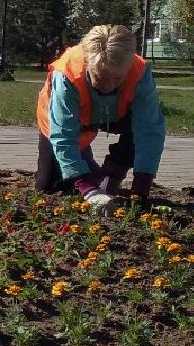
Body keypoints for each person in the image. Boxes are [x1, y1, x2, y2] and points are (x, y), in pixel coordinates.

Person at [35, 23, 165, 212]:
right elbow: (63, 135)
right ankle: (90, 175)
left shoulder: (139, 72)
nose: (108, 86)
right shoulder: (68, 73)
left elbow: (150, 130)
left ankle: (112, 172)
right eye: (101, 77)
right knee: (49, 185)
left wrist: (141, 189)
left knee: (140, 129)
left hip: (116, 114)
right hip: (62, 120)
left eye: (117, 79)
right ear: (88, 64)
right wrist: (88, 190)